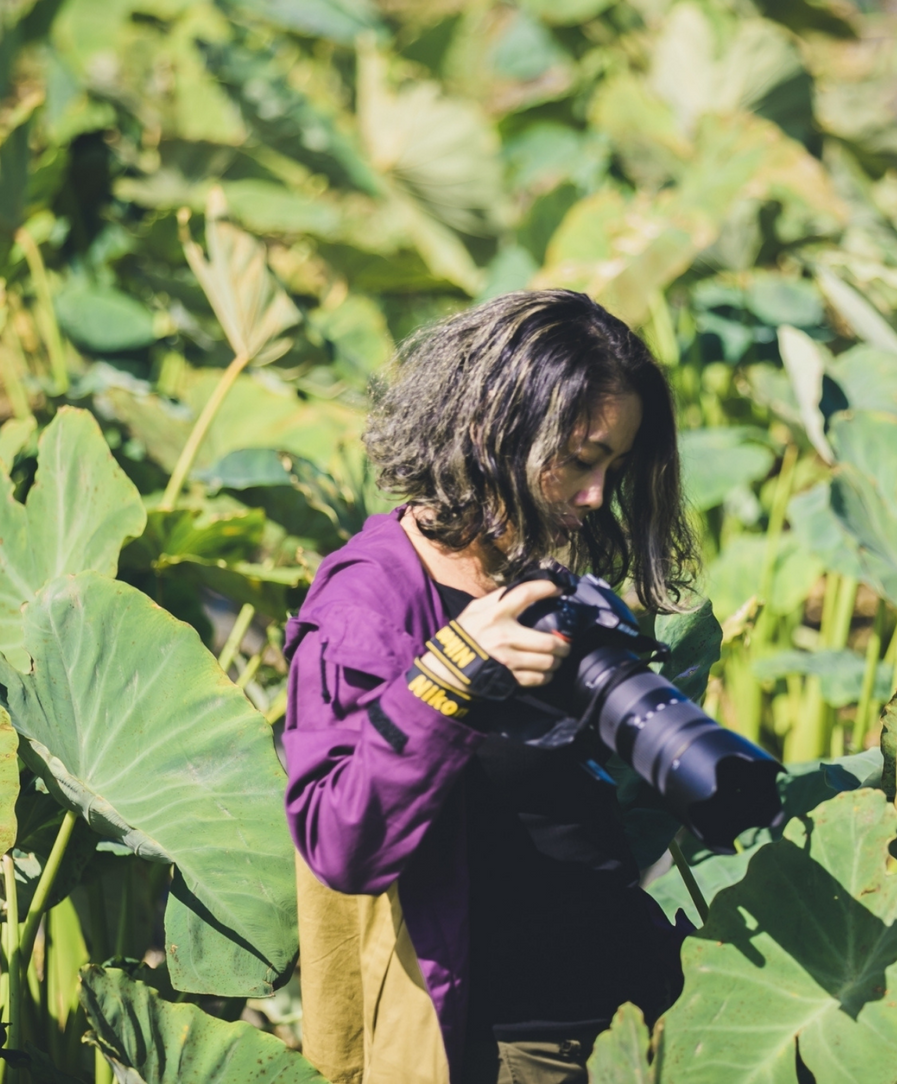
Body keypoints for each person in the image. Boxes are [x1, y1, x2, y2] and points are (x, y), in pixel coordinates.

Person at [282, 289, 699, 1084]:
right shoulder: (366, 605)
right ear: (489, 432)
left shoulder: (526, 561)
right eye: (579, 461)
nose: (595, 496)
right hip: (519, 1038)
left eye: (613, 464)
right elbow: (339, 841)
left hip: (638, 1000)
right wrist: (445, 682)